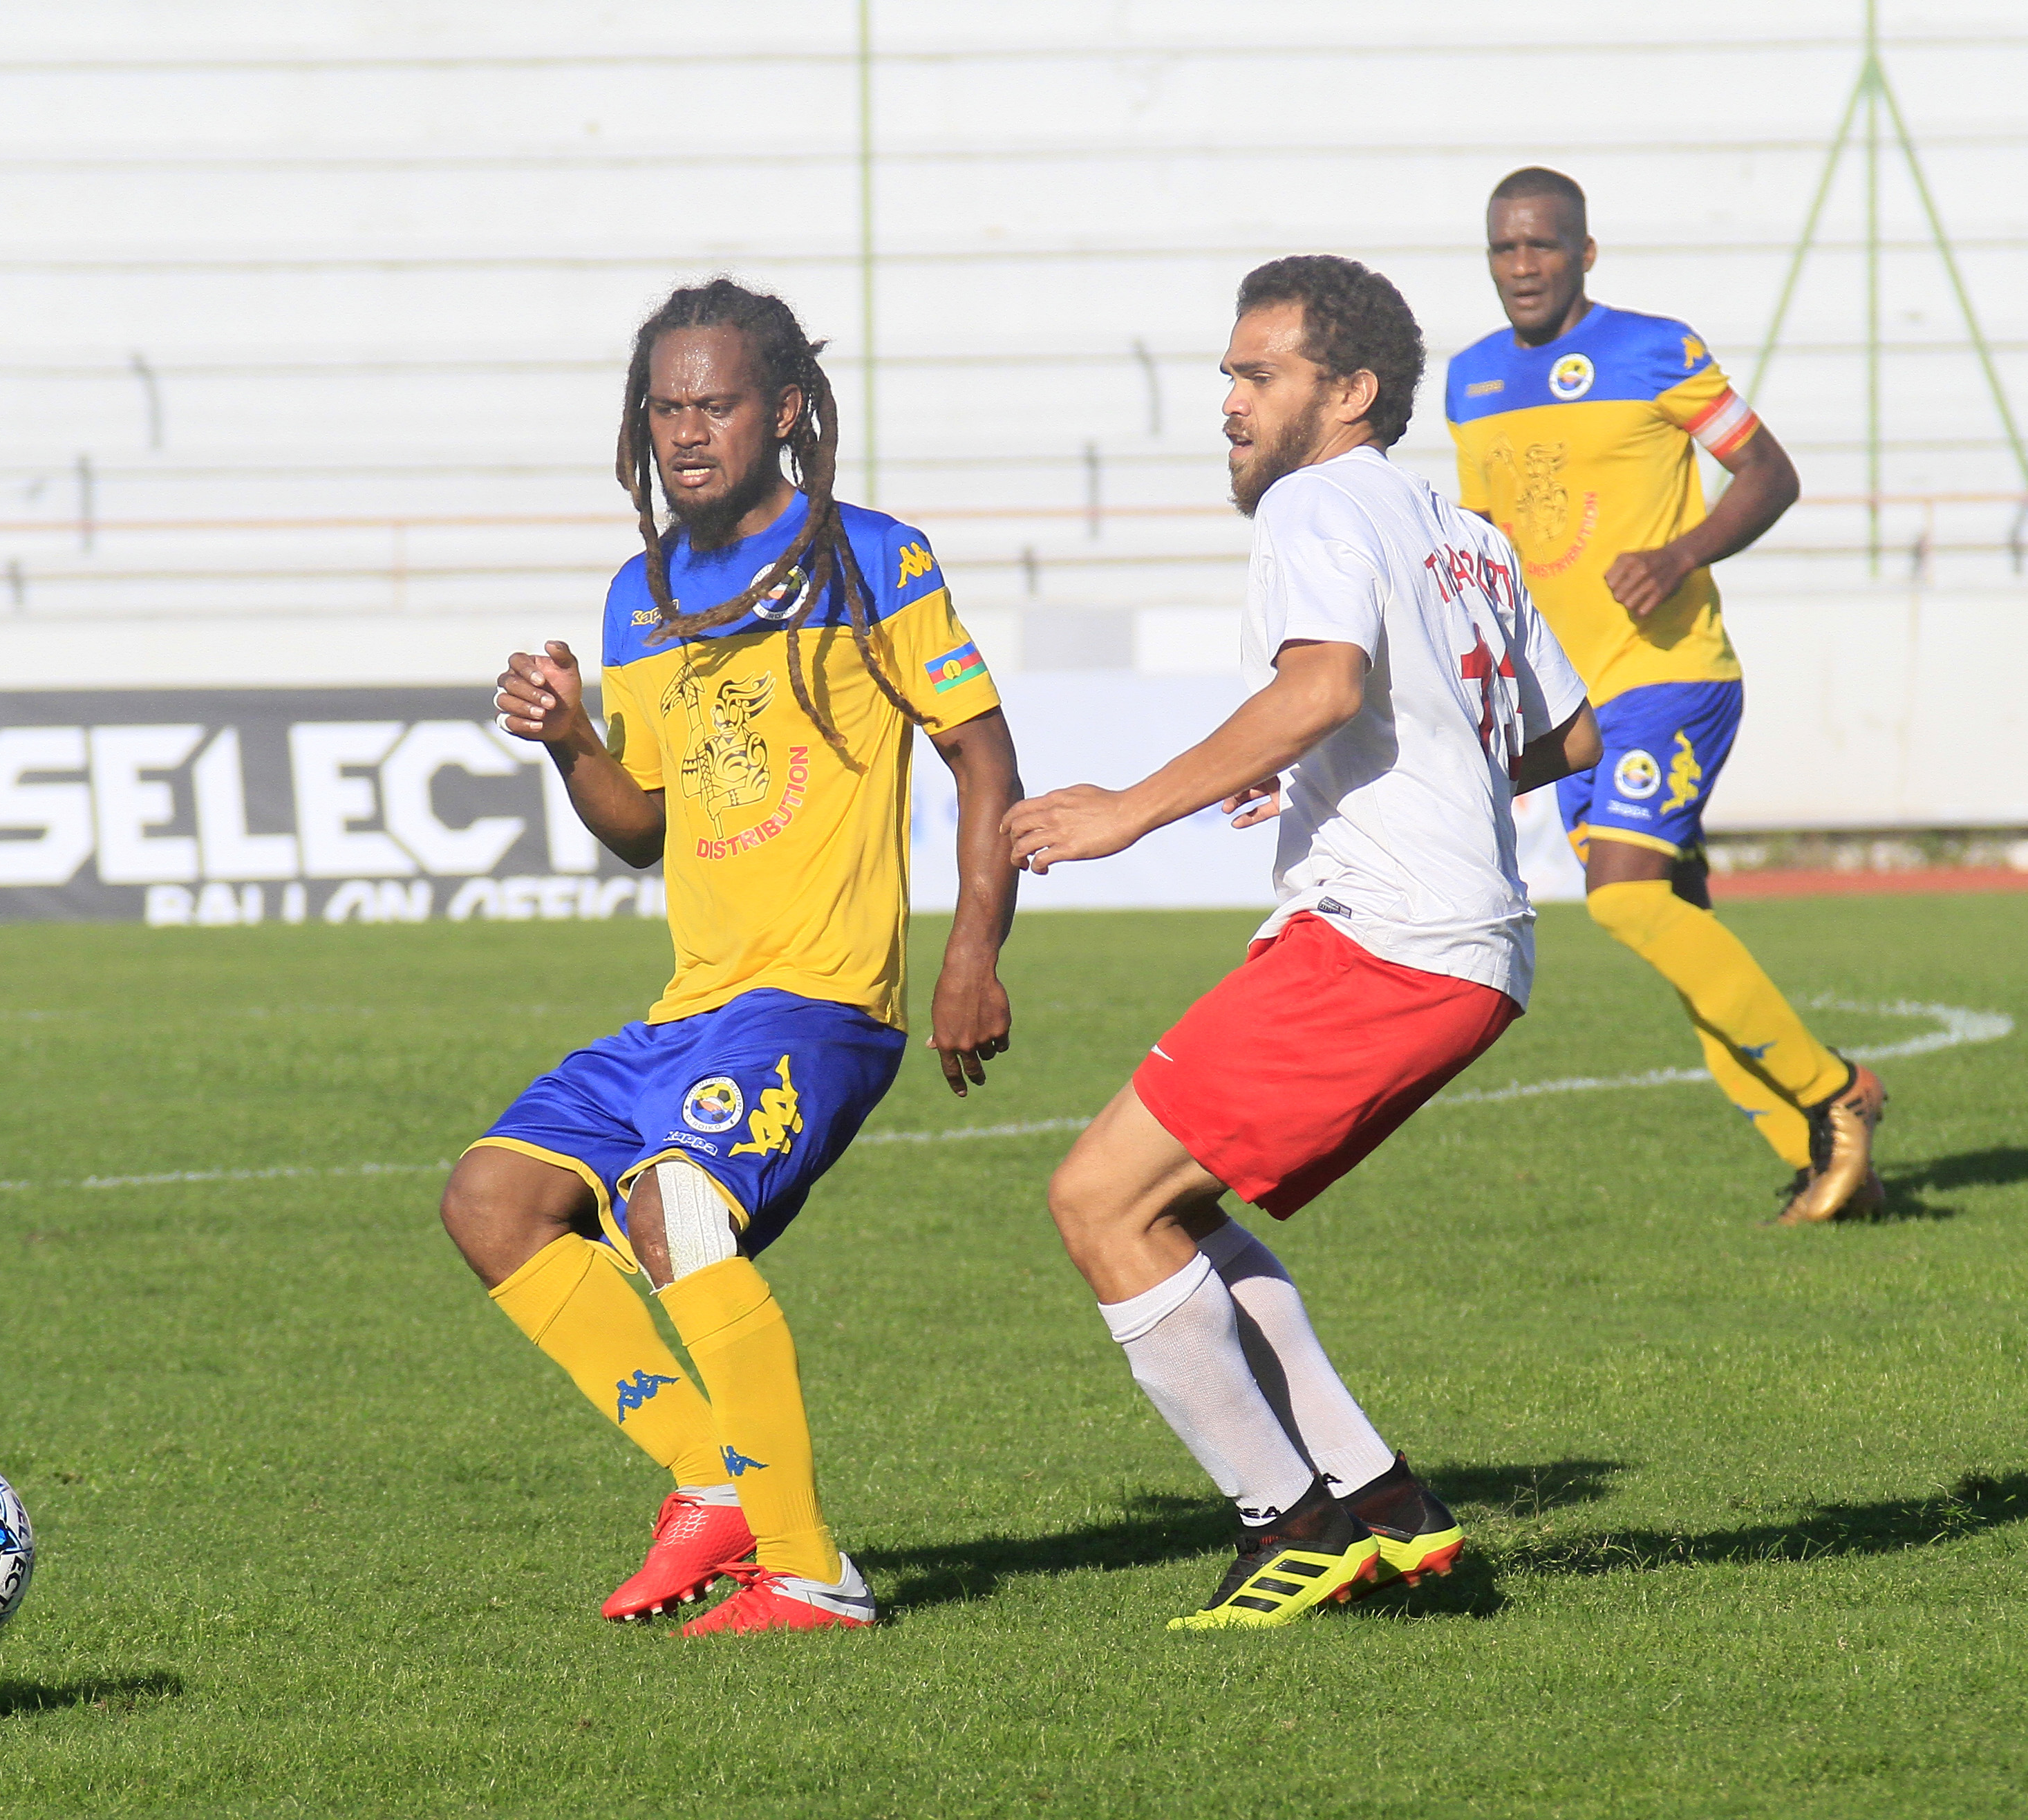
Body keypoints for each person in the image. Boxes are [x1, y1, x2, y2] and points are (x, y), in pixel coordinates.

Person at [1004, 255, 1600, 1629]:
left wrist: (1127, 811)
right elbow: (1568, 735)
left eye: (1257, 374)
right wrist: (1361, 768)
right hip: (1462, 944)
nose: (1228, 400)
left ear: (1350, 392)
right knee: (1172, 1210)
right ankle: (1384, 1505)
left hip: (1386, 938)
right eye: (1228, 372)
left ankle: (1291, 1526)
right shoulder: (1462, 533)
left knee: (1100, 1203)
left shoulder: (1312, 502)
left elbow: (1322, 682)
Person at [439, 279, 1022, 1635]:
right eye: (664, 408)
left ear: (786, 412)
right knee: (491, 1201)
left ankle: (811, 1572)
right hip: (690, 1007)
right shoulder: (639, 596)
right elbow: (640, 828)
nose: (686, 431)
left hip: (821, 1005)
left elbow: (983, 758)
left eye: (714, 405)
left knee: (675, 1209)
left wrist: (970, 953)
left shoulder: (872, 558)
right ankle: (713, 1479)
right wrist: (569, 743)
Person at [1447, 167, 1884, 1225]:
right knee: (1671, 917)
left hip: (1671, 672)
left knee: (1623, 895)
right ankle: (1820, 1160)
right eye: (1504, 247)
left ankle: (1836, 1092)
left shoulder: (1656, 350)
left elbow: (1768, 473)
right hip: (1571, 709)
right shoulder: (1469, 380)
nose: (1521, 265)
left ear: (1583, 253)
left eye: (1541, 244)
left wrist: (1680, 552)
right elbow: (1487, 549)